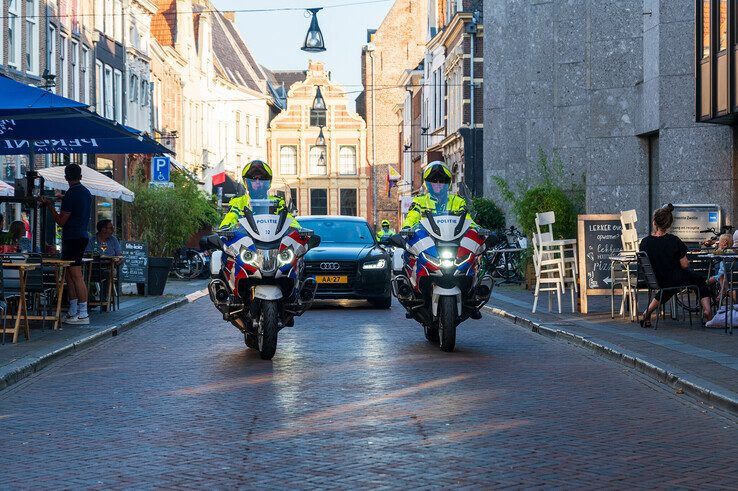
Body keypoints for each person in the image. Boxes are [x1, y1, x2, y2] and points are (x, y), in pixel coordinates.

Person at [639, 204, 712, 327]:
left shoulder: (645, 242)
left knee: (669, 288)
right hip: (673, 278)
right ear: (669, 224)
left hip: (654, 279)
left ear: (654, 222)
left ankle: (647, 312)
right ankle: (708, 312)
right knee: (699, 280)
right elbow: (684, 265)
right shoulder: (673, 240)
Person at [41, 164, 92, 325]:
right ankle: (72, 311)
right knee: (69, 274)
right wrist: (61, 198)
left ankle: (83, 314)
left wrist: (49, 206)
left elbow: (61, 221)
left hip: (72, 238)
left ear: (65, 178)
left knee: (76, 275)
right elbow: (77, 206)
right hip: (82, 235)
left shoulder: (70, 195)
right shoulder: (86, 192)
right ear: (81, 176)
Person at [219, 160, 299, 229]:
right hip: (246, 243)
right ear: (247, 183)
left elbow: (288, 218)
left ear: (268, 182)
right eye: (253, 179)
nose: (257, 182)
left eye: (261, 179)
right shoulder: (237, 202)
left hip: (274, 240)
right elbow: (231, 216)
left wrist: (297, 228)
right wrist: (225, 227)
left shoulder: (277, 202)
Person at [401, 161, 473, 229]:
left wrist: (477, 228)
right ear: (428, 183)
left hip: (454, 238)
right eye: (434, 181)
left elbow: (467, 219)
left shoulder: (458, 201)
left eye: (442, 181)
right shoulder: (419, 201)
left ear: (447, 183)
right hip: (426, 239)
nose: (438, 184)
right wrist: (407, 227)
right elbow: (412, 217)